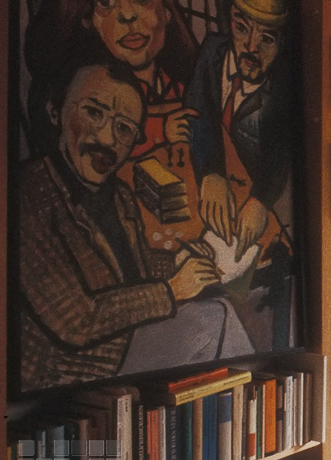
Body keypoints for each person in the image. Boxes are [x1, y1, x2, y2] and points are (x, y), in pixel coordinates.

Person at [17, 62, 253, 392]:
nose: (107, 138)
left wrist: (179, 263)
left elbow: (134, 268)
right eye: (94, 113)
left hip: (121, 348)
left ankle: (237, 407)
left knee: (219, 312)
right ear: (55, 111)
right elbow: (76, 321)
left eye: (124, 128)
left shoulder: (119, 196)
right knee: (214, 320)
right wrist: (172, 289)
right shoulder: (28, 194)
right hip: (66, 374)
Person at [23, 0, 199, 158]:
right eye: (106, 1)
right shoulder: (82, 97)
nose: (127, 15)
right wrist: (159, 131)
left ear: (166, 12)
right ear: (89, 20)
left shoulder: (188, 90)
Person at [184, 0, 293, 262]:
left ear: (282, 43)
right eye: (242, 28)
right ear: (229, 21)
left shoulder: (284, 87)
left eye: (267, 39)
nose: (251, 47)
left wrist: (261, 200)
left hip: (252, 197)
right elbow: (197, 113)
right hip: (217, 184)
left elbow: (282, 155)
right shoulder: (212, 50)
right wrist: (210, 172)